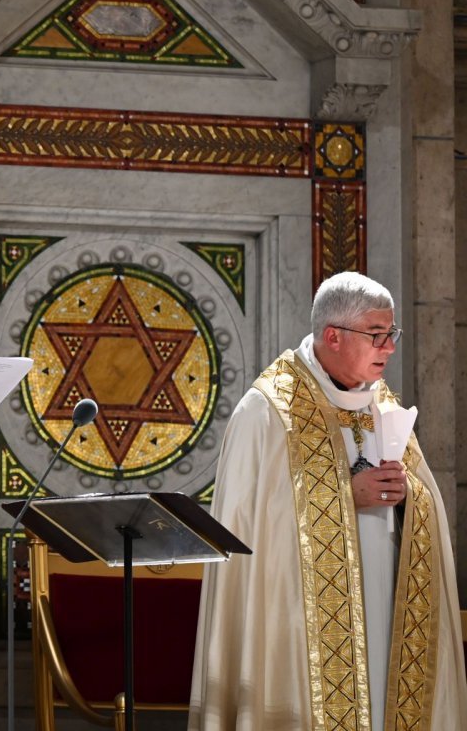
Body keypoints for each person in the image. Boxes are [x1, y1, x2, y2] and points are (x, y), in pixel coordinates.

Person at [189, 272, 467, 729]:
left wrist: (405, 497)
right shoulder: (268, 410)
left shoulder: (385, 405)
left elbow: (426, 499)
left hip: (386, 610)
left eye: (391, 333)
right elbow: (245, 534)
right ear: (333, 336)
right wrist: (342, 496)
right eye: (377, 335)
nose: (389, 348)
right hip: (299, 628)